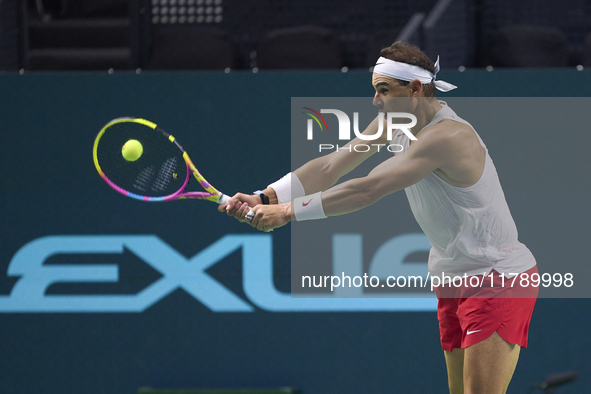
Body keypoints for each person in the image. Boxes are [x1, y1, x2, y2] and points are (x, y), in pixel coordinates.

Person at [219, 41, 538, 394]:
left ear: (415, 89)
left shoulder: (448, 136)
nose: (376, 101)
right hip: (452, 276)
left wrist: (288, 212)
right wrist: (267, 196)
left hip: (497, 275)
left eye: (383, 90)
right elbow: (330, 165)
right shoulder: (394, 120)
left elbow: (367, 189)